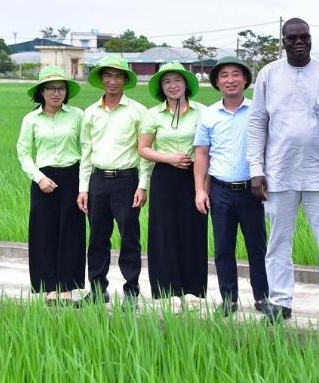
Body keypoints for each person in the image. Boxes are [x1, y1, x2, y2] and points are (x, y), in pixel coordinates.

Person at [248, 18, 319, 327]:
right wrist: (256, 169)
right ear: (282, 41)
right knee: (278, 242)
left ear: (311, 38)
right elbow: (257, 124)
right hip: (278, 174)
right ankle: (280, 301)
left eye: (303, 37)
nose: (298, 42)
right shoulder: (268, 74)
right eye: (291, 38)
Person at [194, 56, 270, 316]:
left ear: (245, 80)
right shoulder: (209, 114)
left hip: (252, 190)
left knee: (257, 246)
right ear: (216, 82)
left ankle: (262, 296)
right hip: (221, 190)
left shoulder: (258, 112)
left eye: (236, 74)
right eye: (224, 75)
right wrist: (200, 190)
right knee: (223, 247)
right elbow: (202, 154)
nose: (230, 80)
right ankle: (228, 298)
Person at [76, 56, 151, 308]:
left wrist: (143, 185)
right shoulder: (90, 113)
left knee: (129, 237)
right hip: (98, 181)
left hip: (127, 181)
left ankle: (131, 291)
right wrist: (83, 189)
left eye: (118, 76)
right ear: (101, 79)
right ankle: (97, 290)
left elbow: (145, 153)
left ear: (125, 80)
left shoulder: (138, 111)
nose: (112, 81)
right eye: (107, 75)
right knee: (97, 237)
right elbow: (85, 153)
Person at [138, 62, 206, 310]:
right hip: (164, 175)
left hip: (195, 175)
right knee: (163, 231)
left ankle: (193, 290)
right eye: (167, 82)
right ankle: (168, 290)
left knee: (193, 230)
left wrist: (203, 185)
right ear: (161, 87)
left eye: (177, 80)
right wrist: (168, 158)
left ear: (186, 83)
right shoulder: (153, 114)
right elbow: (143, 148)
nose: (173, 85)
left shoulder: (202, 112)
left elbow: (208, 148)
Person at [16, 66, 86, 304]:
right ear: (41, 92)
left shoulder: (77, 115)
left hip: (72, 177)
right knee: (43, 233)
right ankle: (48, 287)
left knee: (72, 232)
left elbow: (86, 149)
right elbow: (23, 153)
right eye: (50, 89)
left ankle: (67, 286)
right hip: (43, 179)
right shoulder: (31, 119)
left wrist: (83, 185)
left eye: (60, 88)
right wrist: (39, 178)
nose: (56, 93)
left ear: (66, 92)